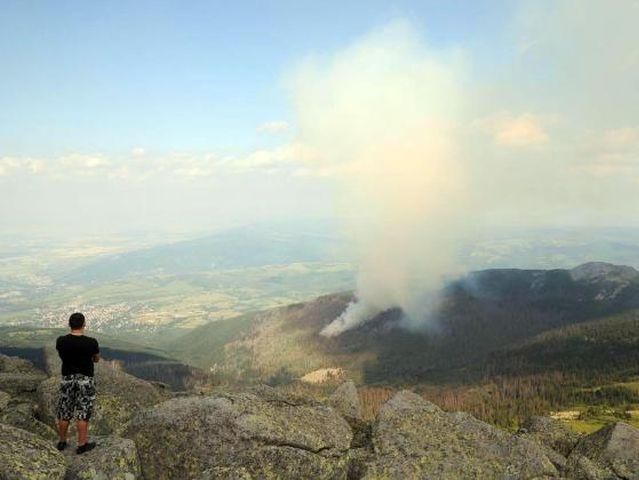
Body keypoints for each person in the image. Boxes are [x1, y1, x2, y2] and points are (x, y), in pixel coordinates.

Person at [55, 312, 100, 454]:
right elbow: (96, 359)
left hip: (67, 378)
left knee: (64, 411)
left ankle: (62, 442)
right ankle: (81, 445)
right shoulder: (91, 342)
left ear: (69, 324)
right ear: (84, 324)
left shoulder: (61, 341)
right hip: (85, 379)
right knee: (83, 412)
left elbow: (61, 354)